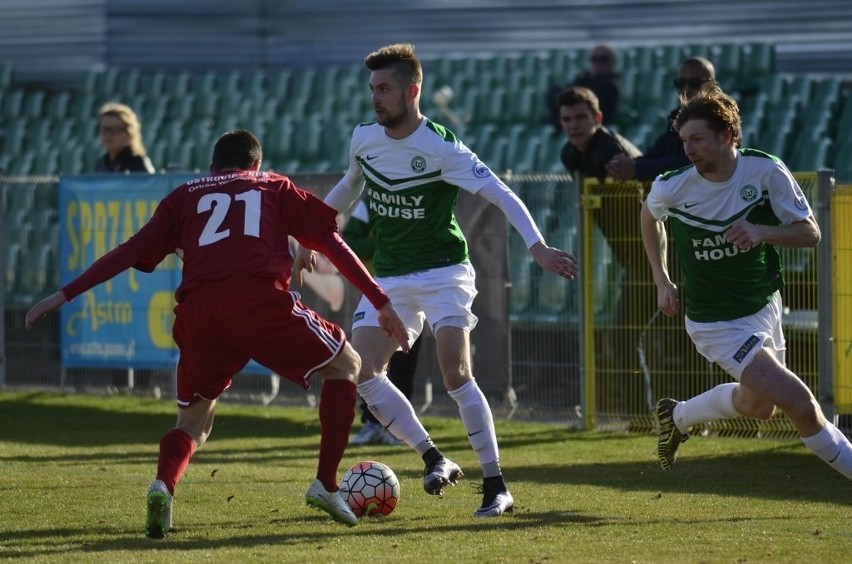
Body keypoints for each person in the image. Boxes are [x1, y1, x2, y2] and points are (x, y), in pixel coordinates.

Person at [24, 129, 410, 537]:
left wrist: (64, 294)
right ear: (256, 165)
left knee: (192, 423)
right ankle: (326, 484)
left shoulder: (184, 195)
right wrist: (380, 300)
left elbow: (129, 250)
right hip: (257, 301)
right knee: (346, 363)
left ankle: (163, 487)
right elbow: (331, 241)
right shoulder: (273, 185)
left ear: (212, 169)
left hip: (200, 313)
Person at [298, 43, 579, 518]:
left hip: (444, 272)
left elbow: (502, 194)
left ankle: (496, 486)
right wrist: (315, 230)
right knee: (362, 371)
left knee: (455, 373)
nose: (375, 98)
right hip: (387, 276)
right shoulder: (364, 138)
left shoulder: (442, 146)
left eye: (384, 89)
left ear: (413, 90)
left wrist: (537, 246)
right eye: (372, 89)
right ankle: (434, 457)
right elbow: (350, 183)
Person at [640, 85, 852, 482]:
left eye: (698, 139)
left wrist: (760, 230)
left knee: (759, 407)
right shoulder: (673, 185)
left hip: (763, 304)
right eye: (684, 140)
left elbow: (810, 233)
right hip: (714, 321)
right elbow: (648, 216)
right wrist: (662, 278)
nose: (689, 149)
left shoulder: (765, 170)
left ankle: (678, 415)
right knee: (800, 404)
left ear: (728, 136)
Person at [558, 86, 654, 399]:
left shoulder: (612, 152)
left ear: (598, 117)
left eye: (581, 118)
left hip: (662, 258)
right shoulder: (571, 154)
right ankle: (643, 418)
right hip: (635, 261)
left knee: (680, 340)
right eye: (567, 119)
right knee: (625, 338)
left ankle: (696, 417)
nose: (573, 125)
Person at [343, 198, 423, 446]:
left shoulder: (420, 198)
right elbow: (350, 240)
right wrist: (387, 245)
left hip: (415, 289)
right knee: (368, 363)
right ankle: (372, 423)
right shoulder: (370, 202)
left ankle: (399, 430)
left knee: (405, 360)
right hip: (380, 288)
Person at [606, 56, 716, 182]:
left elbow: (692, 164)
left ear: (711, 86)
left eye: (695, 84)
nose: (686, 90)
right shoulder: (677, 120)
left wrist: (636, 168)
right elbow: (654, 156)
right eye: (680, 84)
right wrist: (620, 166)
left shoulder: (718, 121)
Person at [546, 43, 621, 132]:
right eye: (594, 59)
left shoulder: (610, 86)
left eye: (603, 59)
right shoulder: (584, 79)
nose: (597, 63)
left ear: (612, 62)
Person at [95, 102, 156, 173]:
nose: (108, 135)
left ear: (130, 134)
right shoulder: (101, 164)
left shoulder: (138, 164)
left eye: (115, 130)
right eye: (105, 129)